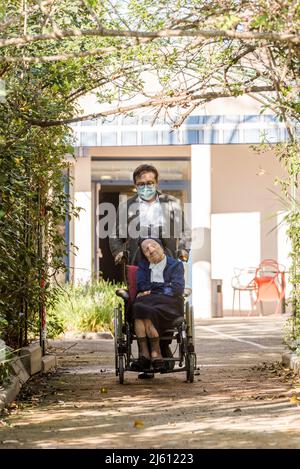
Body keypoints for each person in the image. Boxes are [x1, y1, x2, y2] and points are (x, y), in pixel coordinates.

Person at [109, 163, 190, 266]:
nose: (145, 187)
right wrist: (119, 252)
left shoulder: (171, 203)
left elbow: (185, 231)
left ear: (156, 183)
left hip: (168, 261)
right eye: (141, 184)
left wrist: (183, 250)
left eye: (150, 183)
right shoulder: (126, 207)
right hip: (137, 262)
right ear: (135, 185)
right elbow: (115, 235)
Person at [131, 238, 185, 372]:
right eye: (146, 249)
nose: (151, 250)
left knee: (145, 309)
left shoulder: (175, 265)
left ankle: (153, 354)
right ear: (144, 254)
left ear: (161, 247)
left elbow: (177, 288)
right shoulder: (143, 266)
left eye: (153, 245)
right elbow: (141, 285)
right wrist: (166, 286)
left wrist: (153, 289)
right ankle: (150, 354)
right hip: (147, 300)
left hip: (169, 304)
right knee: (138, 307)